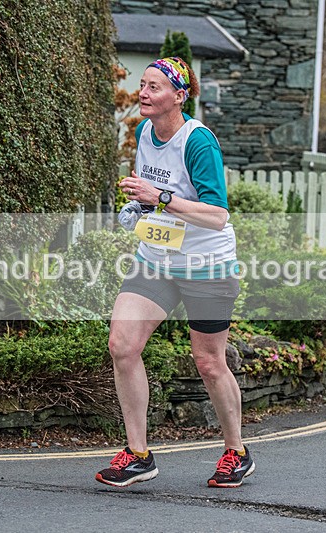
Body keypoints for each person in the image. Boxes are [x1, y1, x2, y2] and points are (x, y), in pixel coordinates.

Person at [95, 57, 255, 489]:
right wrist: (139, 207)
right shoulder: (144, 131)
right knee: (122, 345)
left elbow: (217, 215)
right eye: (142, 84)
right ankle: (138, 455)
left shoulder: (198, 142)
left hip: (206, 263)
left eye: (155, 87)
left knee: (209, 362)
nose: (143, 93)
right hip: (157, 259)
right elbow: (152, 193)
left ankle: (236, 451)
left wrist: (160, 197)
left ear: (179, 96)